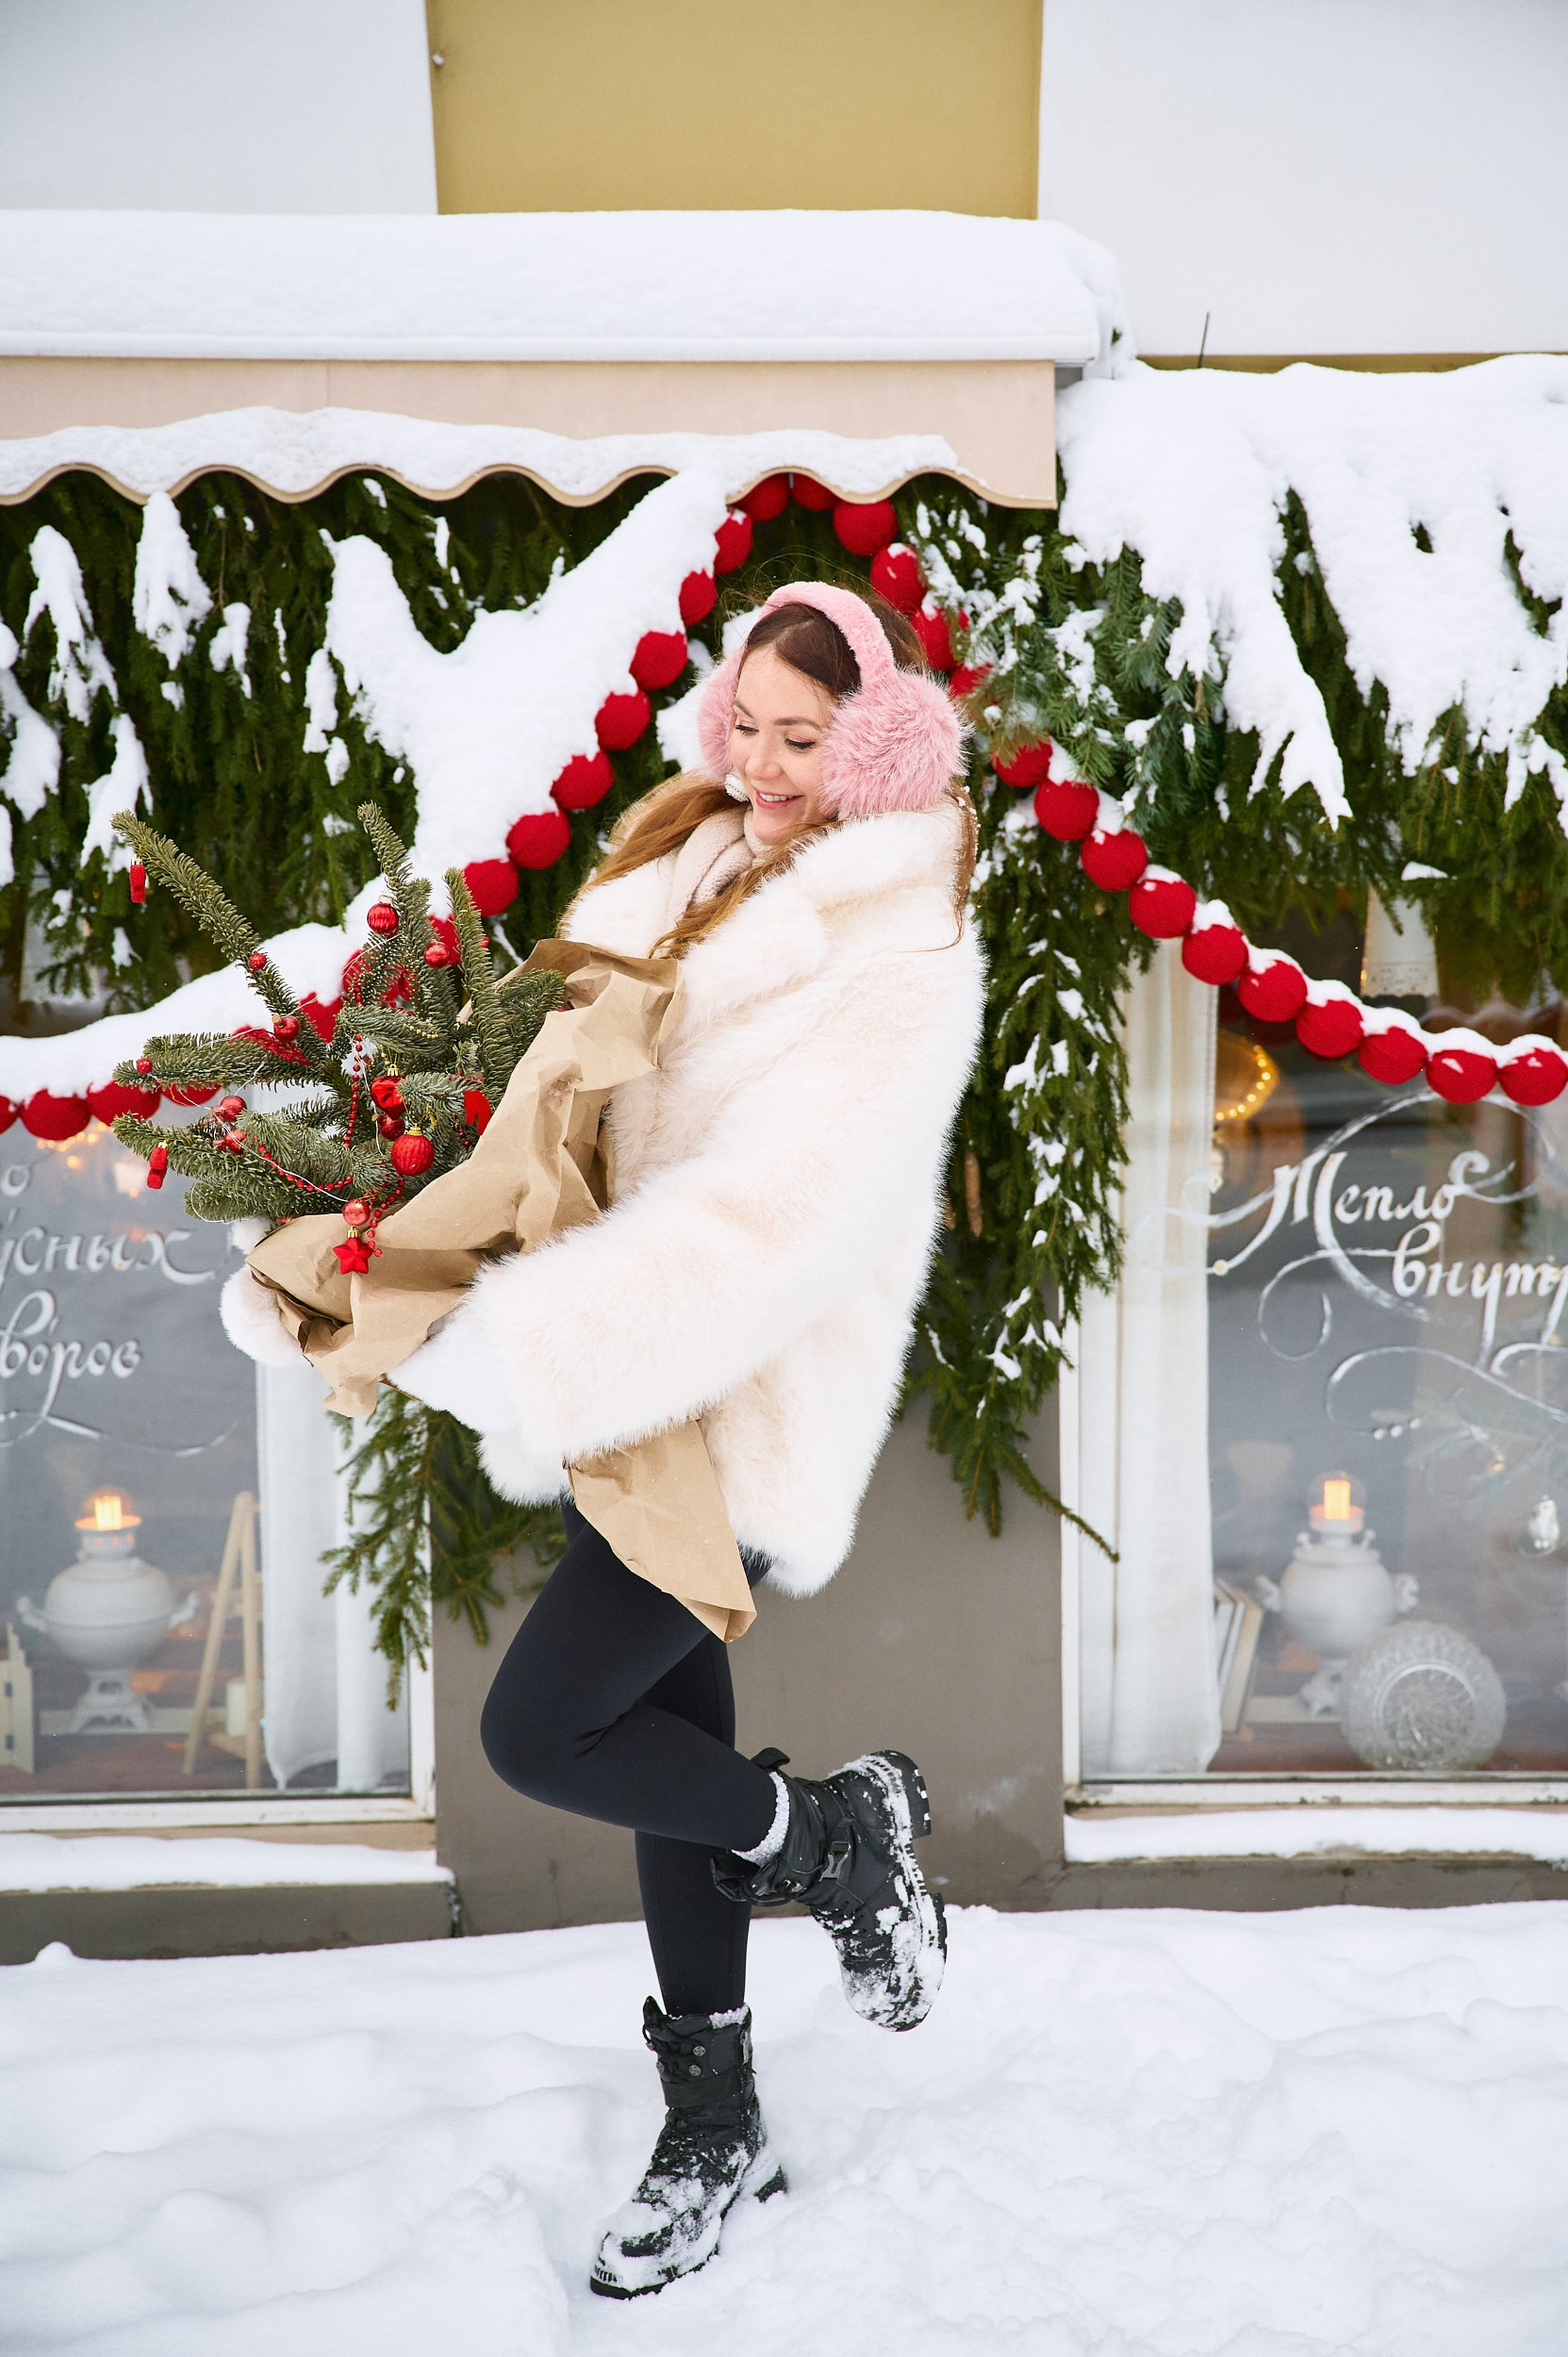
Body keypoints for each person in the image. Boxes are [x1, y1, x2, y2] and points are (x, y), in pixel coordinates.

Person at [223, 580, 985, 2298]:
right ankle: (717, 2115)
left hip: (726, 1391)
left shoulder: (901, 947)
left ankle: (831, 1839)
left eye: (806, 738)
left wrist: (535, 1342)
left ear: (877, 744)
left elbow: (775, 1219)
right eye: (748, 726)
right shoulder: (676, 864)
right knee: (660, 1737)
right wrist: (390, 1220)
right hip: (634, 1395)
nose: (765, 764)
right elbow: (541, 1085)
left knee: (545, 1728)